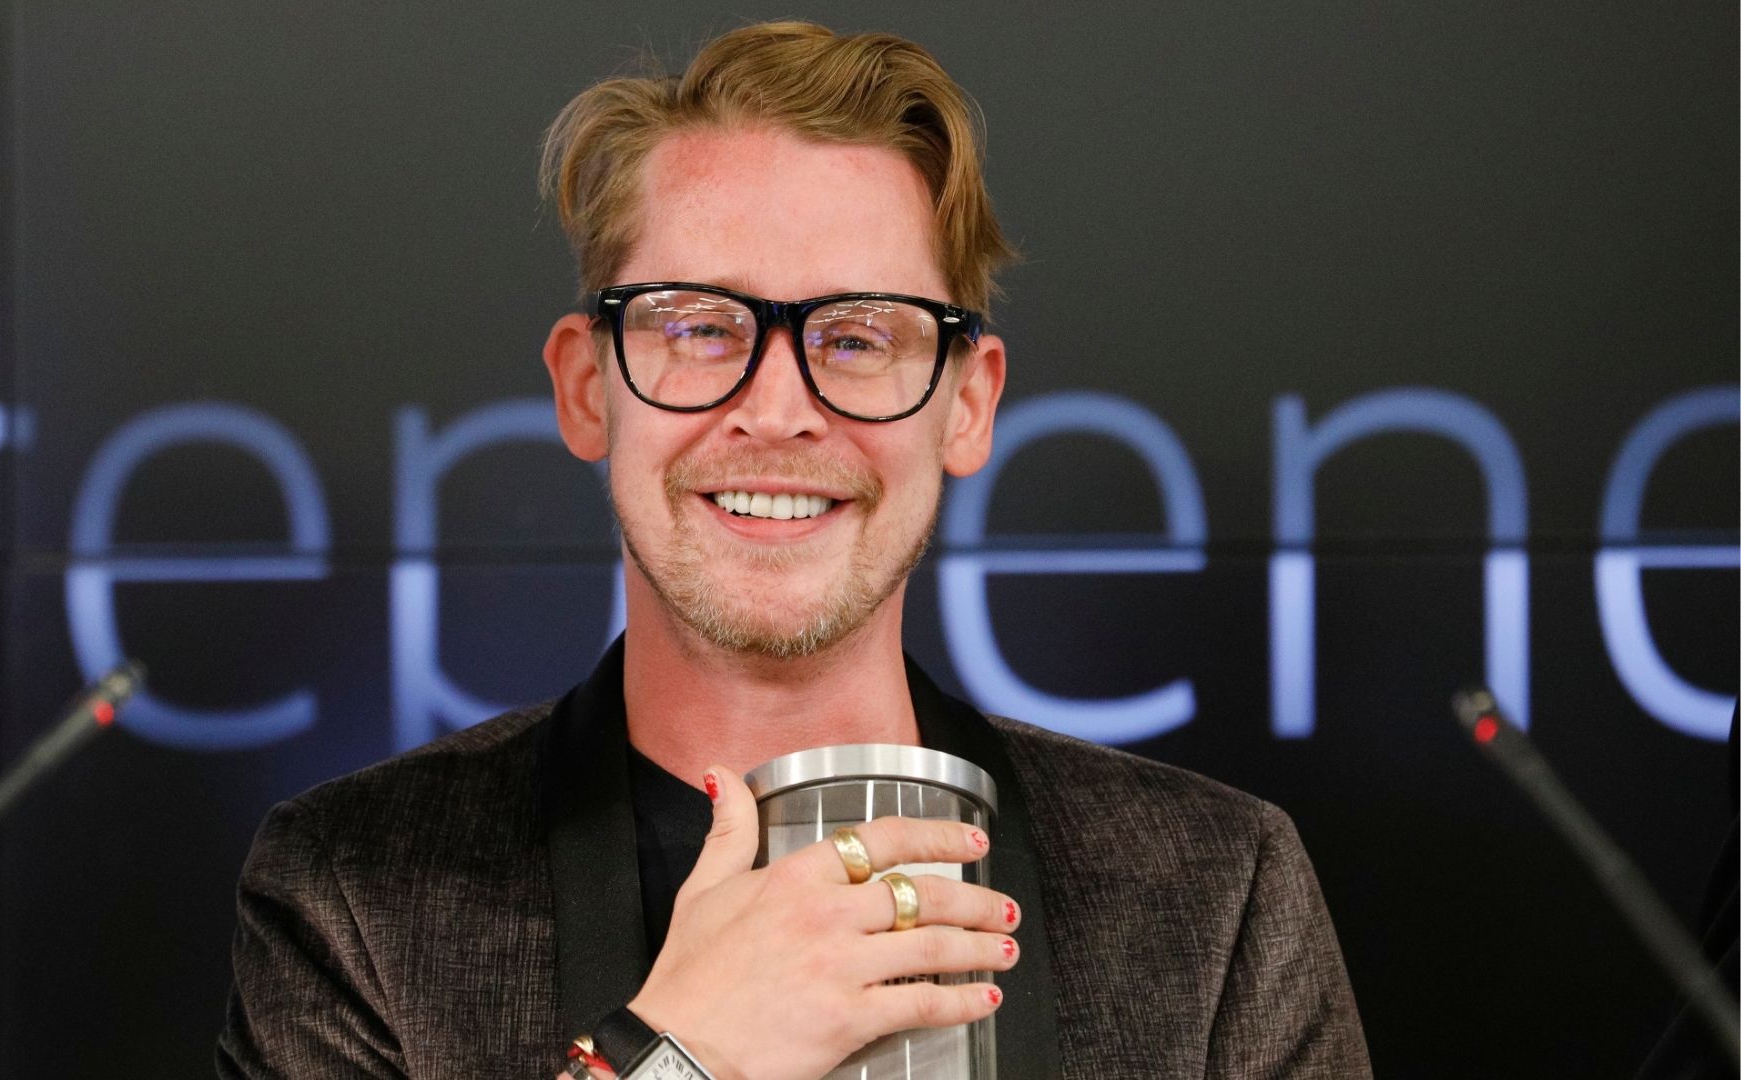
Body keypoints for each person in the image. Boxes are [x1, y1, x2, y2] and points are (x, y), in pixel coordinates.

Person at [217, 21, 1371, 1079]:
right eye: (701, 327)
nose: (777, 411)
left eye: (858, 338)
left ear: (966, 407)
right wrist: (680, 1054)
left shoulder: (1214, 892)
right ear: (585, 387)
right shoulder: (354, 891)